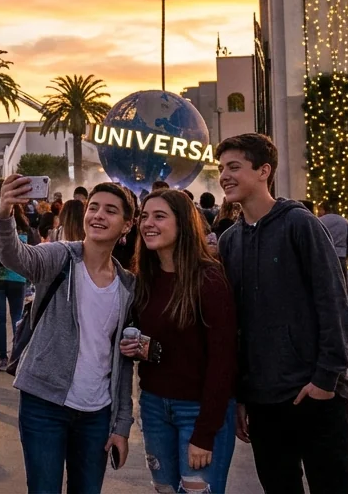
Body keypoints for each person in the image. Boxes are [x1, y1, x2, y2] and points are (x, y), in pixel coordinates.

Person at [215, 133, 348, 493]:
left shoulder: (300, 224)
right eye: (221, 168)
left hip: (313, 391)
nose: (224, 176)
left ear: (264, 171)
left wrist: (326, 379)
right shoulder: (230, 241)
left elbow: (334, 302)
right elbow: (234, 325)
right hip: (262, 398)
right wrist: (240, 394)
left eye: (234, 167)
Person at [0, 177, 136, 494]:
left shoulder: (128, 286)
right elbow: (16, 257)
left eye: (110, 210)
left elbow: (124, 363)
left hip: (97, 413)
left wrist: (122, 424)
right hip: (44, 404)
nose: (98, 215)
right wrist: (4, 215)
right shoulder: (60, 257)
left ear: (127, 225)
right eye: (93, 207)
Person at [121, 189, 238, 494]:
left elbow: (223, 361)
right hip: (154, 406)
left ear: (183, 223)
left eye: (159, 216)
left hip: (199, 411)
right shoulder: (144, 278)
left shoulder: (209, 279)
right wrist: (136, 347)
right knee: (165, 489)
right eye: (144, 216)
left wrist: (205, 432)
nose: (148, 223)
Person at [0, 208, 31, 372]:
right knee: (17, 317)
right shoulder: (25, 231)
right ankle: (16, 355)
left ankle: (2, 358)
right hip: (18, 278)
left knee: (0, 319)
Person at [318, 200, 348, 279]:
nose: (318, 212)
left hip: (324, 256)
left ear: (324, 209)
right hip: (341, 256)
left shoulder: (319, 221)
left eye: (319, 209)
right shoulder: (343, 221)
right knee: (342, 281)